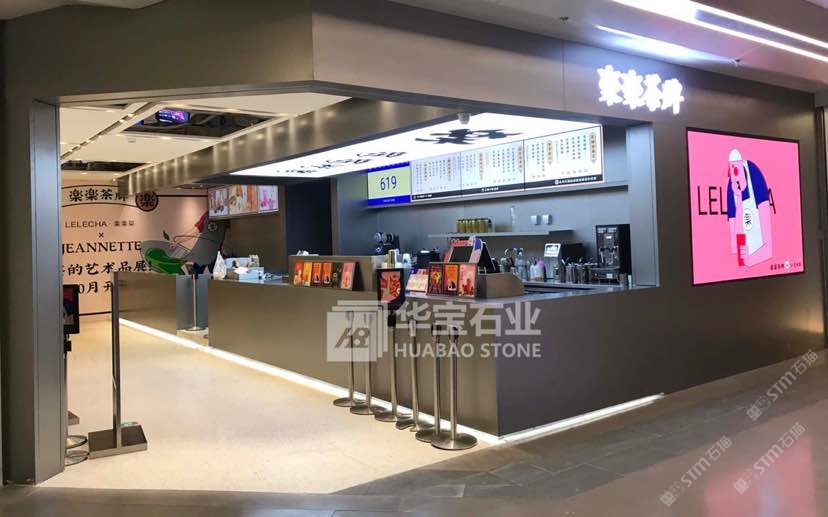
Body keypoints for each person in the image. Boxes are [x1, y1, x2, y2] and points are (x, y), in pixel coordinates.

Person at [726, 149, 773, 267]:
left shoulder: (754, 175)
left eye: (736, 169)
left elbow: (768, 249)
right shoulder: (731, 189)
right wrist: (739, 198)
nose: (735, 179)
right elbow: (736, 246)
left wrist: (751, 260)